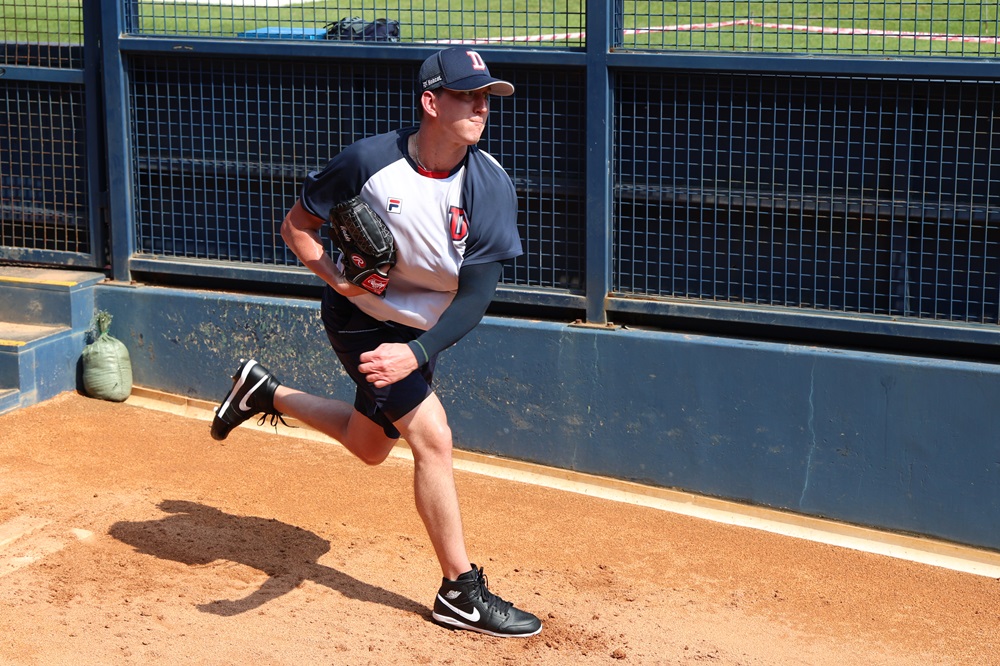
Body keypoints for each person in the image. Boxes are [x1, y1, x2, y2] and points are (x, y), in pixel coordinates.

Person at [209, 47, 542, 639]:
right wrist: (341, 282)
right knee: (431, 436)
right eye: (467, 95)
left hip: (421, 333)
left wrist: (414, 351)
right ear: (431, 102)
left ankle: (266, 391)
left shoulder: (490, 189)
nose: (481, 107)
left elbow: (473, 300)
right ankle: (458, 592)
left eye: (486, 97)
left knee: (369, 446)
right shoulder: (368, 161)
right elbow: (296, 226)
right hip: (361, 319)